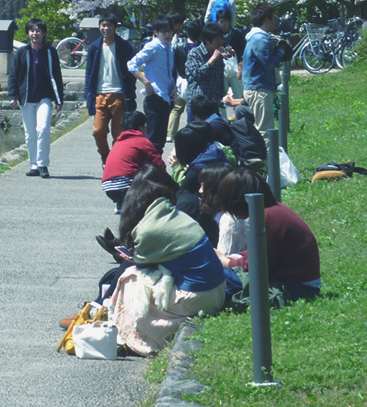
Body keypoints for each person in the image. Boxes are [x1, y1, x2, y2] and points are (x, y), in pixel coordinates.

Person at [108, 178, 227, 355]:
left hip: (198, 298)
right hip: (218, 291)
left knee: (130, 277)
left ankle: (134, 335)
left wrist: (132, 258)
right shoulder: (175, 216)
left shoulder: (148, 229)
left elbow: (141, 263)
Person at [215, 166, 321, 300]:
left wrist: (225, 262)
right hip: (300, 282)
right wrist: (236, 257)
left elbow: (256, 266)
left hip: (298, 287)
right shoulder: (273, 210)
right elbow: (260, 253)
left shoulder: (269, 218)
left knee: (216, 277)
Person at [7, 20, 64, 178]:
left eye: (38, 30)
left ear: (43, 33)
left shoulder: (50, 52)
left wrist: (59, 98)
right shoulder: (22, 52)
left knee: (43, 128)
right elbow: (13, 75)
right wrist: (12, 96)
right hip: (26, 98)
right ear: (28, 33)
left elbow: (56, 75)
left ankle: (43, 164)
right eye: (32, 31)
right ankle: (34, 165)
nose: (35, 33)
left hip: (44, 97)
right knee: (30, 134)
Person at [231, 2, 289, 146]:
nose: (275, 21)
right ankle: (268, 166)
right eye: (273, 18)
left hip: (254, 88)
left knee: (261, 129)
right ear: (267, 19)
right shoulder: (260, 38)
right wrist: (280, 50)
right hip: (259, 90)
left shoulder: (254, 37)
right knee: (266, 132)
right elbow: (268, 63)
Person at [84, 11, 137, 164]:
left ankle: (116, 161)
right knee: (98, 131)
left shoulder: (124, 46)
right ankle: (106, 157)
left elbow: (131, 69)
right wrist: (89, 94)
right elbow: (89, 73)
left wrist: (130, 92)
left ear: (114, 27)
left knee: (119, 133)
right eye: (103, 25)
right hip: (100, 95)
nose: (106, 28)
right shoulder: (94, 47)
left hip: (119, 94)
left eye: (109, 25)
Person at [126, 17, 176, 152]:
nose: (167, 35)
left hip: (166, 97)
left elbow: (168, 72)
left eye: (169, 31)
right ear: (156, 32)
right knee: (152, 141)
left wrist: (173, 86)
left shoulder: (169, 48)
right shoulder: (153, 46)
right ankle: (149, 169)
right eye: (163, 32)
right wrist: (146, 82)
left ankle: (156, 169)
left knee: (160, 141)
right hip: (155, 96)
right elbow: (131, 64)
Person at [101, 111, 166, 211]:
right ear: (140, 127)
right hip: (127, 186)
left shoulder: (118, 143)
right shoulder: (142, 141)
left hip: (108, 187)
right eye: (144, 126)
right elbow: (159, 165)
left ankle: (122, 203)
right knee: (148, 168)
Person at [168, 19, 201, 142]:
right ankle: (192, 131)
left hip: (181, 80)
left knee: (177, 108)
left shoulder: (179, 47)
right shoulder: (201, 47)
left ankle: (170, 134)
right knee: (192, 108)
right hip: (196, 82)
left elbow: (174, 65)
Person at [185, 21, 227, 109]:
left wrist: (221, 95)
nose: (220, 42)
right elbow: (198, 74)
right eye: (217, 40)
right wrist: (213, 59)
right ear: (207, 41)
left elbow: (220, 76)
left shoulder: (218, 54)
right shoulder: (195, 53)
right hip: (198, 103)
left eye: (221, 39)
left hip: (213, 102)